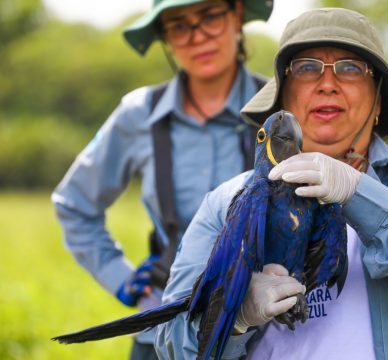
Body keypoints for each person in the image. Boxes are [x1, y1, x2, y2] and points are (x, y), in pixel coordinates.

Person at [154, 7, 388, 359]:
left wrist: (359, 193)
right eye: (306, 67)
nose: (327, 84)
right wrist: (234, 318)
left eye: (350, 68)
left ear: (378, 101)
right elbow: (173, 346)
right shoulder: (229, 201)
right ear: (282, 98)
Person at [51, 0, 272, 359]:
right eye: (179, 25)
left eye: (211, 17)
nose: (197, 37)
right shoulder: (139, 114)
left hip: (260, 336)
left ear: (237, 16)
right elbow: (74, 204)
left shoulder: (279, 107)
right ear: (165, 38)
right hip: (161, 336)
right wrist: (120, 278)